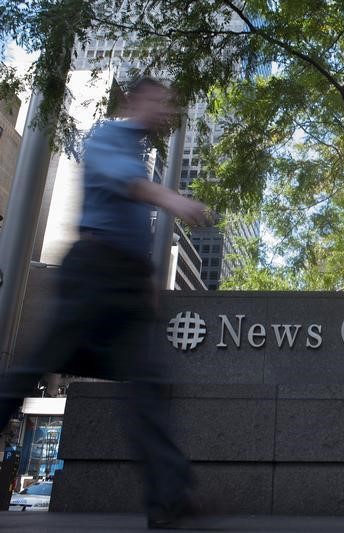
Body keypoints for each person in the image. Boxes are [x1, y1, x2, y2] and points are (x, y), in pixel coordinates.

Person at [0, 76, 209, 529]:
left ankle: (169, 497)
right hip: (94, 270)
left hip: (129, 283)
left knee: (148, 382)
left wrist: (149, 283)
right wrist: (173, 198)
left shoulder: (138, 150)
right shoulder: (108, 135)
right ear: (136, 100)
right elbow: (125, 184)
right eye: (160, 101)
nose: (165, 110)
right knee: (34, 365)